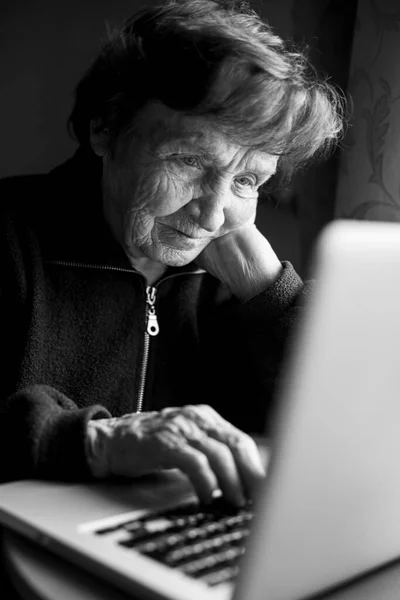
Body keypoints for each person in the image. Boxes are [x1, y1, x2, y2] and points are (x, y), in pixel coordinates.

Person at [0, 0, 344, 507]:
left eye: (247, 180)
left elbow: (348, 420)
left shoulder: (228, 286)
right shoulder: (11, 236)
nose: (211, 217)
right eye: (189, 160)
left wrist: (270, 289)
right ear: (106, 127)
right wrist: (95, 441)